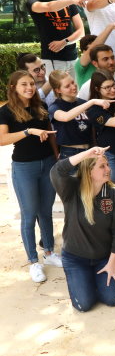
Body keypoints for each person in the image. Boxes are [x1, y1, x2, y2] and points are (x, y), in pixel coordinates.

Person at [50, 146, 115, 312]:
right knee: (84, 305)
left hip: (105, 257)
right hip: (76, 258)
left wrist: (113, 263)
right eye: (102, 166)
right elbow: (57, 170)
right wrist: (87, 153)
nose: (108, 169)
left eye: (107, 165)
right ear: (88, 171)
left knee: (112, 299)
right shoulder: (71, 188)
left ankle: (95, 278)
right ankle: (85, 279)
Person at [0, 71, 60, 282]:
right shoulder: (6, 111)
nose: (29, 87)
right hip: (24, 167)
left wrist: (55, 155)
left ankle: (50, 252)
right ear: (13, 87)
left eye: (32, 84)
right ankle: (34, 262)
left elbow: (50, 132)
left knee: (46, 211)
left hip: (48, 164)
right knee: (29, 215)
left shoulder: (40, 106)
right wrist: (28, 131)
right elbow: (2, 139)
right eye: (24, 84)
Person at [27, 0, 84, 73]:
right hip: (52, 59)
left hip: (73, 57)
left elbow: (81, 31)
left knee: (75, 90)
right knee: (56, 90)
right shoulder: (33, 2)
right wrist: (73, 1)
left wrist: (65, 41)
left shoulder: (67, 1)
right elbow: (49, 7)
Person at [47, 70, 109, 159]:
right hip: (70, 152)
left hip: (89, 150)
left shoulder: (84, 103)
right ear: (58, 90)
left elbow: (93, 129)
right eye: (67, 86)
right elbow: (65, 117)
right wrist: (92, 102)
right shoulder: (55, 107)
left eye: (73, 82)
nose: (73, 86)